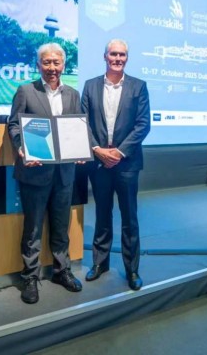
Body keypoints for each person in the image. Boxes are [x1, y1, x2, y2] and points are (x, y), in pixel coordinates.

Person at [7, 42, 83, 304]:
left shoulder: (73, 94)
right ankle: (30, 277)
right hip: (35, 172)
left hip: (64, 173)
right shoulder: (26, 91)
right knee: (33, 228)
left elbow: (77, 126)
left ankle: (62, 271)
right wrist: (22, 148)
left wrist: (81, 147)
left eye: (56, 62)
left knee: (61, 225)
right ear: (38, 65)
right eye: (47, 62)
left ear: (63, 65)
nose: (52, 67)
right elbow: (14, 125)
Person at [81, 39, 151, 291]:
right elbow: (82, 122)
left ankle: (132, 269)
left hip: (127, 163)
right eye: (113, 54)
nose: (117, 58)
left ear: (126, 58)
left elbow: (143, 125)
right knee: (102, 214)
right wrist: (98, 150)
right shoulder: (90, 86)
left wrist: (119, 153)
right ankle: (100, 263)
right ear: (105, 56)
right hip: (99, 162)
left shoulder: (139, 86)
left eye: (122, 55)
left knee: (129, 217)